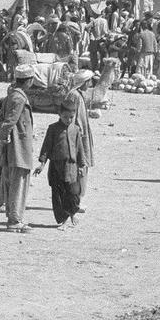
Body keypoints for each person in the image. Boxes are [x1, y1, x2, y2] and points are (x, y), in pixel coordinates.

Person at [36, 98, 90, 228]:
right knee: (58, 194)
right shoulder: (53, 129)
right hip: (56, 167)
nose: (68, 119)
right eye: (65, 117)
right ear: (59, 114)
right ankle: (63, 220)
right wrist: (42, 164)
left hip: (72, 167)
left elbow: (79, 148)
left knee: (73, 192)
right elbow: (46, 147)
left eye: (71, 117)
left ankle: (72, 213)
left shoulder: (76, 129)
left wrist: (82, 164)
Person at [0, 63, 37, 232]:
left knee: (13, 181)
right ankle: (15, 220)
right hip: (19, 147)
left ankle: (13, 217)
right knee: (19, 183)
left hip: (14, 146)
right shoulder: (19, 98)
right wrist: (4, 140)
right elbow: (9, 122)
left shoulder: (12, 95)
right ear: (28, 81)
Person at [64, 82, 96, 210]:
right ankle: (75, 202)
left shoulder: (80, 95)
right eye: (88, 81)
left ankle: (78, 200)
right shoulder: (74, 96)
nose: (90, 84)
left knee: (83, 167)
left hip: (82, 136)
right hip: (77, 137)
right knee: (78, 169)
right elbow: (70, 117)